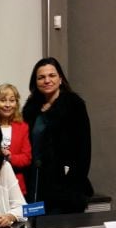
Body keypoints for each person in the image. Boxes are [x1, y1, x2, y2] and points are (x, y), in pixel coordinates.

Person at [22, 57, 93, 213]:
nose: (47, 80)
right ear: (35, 82)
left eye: (52, 76)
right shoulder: (30, 109)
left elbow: (84, 149)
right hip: (35, 183)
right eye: (41, 77)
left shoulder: (74, 105)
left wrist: (73, 180)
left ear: (60, 78)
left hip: (65, 186)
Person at [0, 83, 32, 195]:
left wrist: (10, 156)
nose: (8, 105)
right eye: (3, 100)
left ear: (16, 104)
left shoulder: (23, 127)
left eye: (12, 100)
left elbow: (27, 158)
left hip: (15, 184)